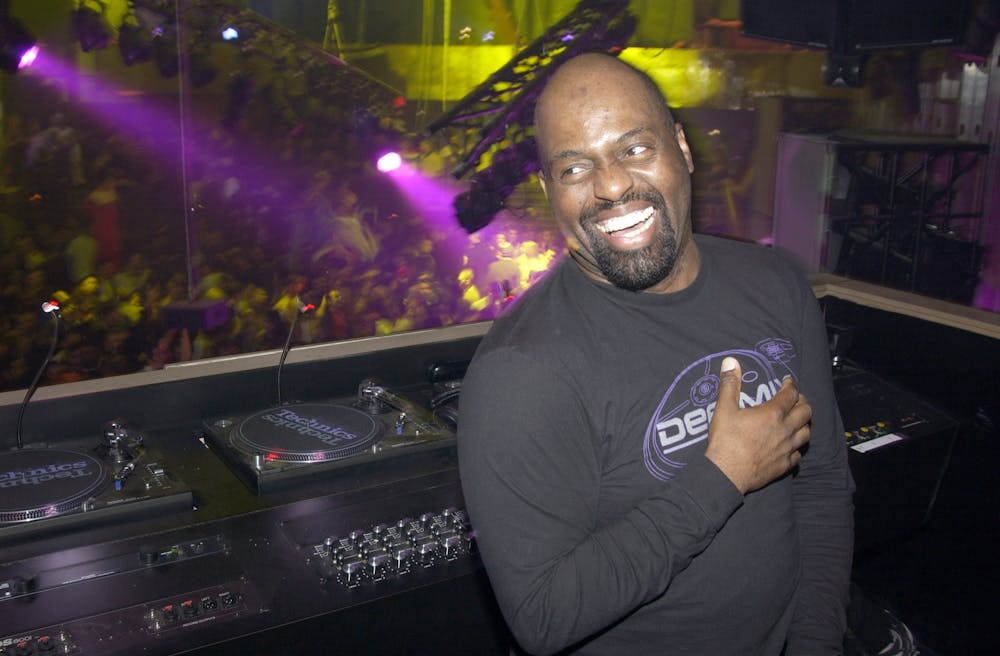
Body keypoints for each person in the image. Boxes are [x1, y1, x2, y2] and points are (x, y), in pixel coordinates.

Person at [456, 53, 854, 656]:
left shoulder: (775, 286)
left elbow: (821, 488)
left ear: (683, 149)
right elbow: (542, 616)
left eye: (635, 149)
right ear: (548, 192)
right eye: (574, 168)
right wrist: (720, 475)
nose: (611, 185)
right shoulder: (520, 372)